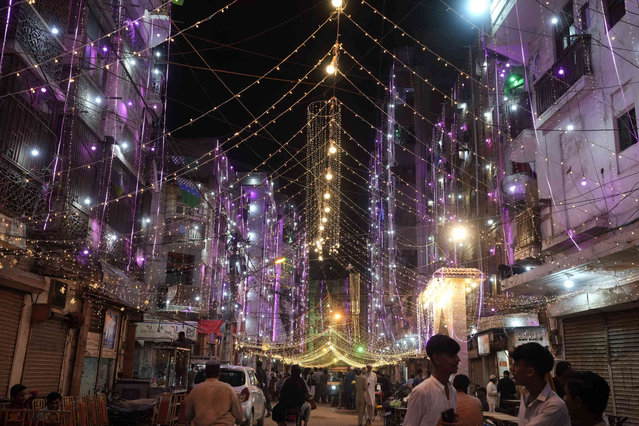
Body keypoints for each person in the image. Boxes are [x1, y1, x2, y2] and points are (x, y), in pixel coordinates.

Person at [403, 334, 461, 426]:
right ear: (437, 359)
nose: (458, 359)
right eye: (451, 356)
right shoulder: (421, 392)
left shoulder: (452, 391)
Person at [510, 342, 570, 426]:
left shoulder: (554, 406)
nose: (511, 368)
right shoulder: (525, 395)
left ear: (530, 372)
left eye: (516, 365)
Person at [184, 359, 244, 425]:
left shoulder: (195, 390)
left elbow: (188, 415)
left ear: (206, 373)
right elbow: (238, 414)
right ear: (219, 373)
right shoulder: (228, 389)